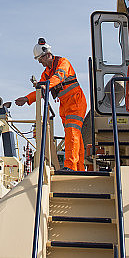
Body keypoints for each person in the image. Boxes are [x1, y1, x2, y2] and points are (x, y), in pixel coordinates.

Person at [15, 38, 87, 171]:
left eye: (40, 59)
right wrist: (27, 98)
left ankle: (70, 167)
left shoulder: (63, 63)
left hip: (75, 102)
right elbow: (41, 90)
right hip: (65, 105)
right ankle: (79, 168)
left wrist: (45, 86)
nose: (40, 62)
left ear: (47, 54)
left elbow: (58, 77)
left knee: (72, 133)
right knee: (74, 135)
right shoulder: (46, 73)